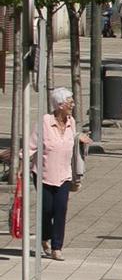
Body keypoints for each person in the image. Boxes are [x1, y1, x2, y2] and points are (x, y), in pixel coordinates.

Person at [34, 88, 88, 261]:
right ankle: (44, 236)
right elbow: (31, 144)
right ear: (59, 105)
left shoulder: (71, 122)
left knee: (61, 210)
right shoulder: (45, 122)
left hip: (64, 174)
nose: (72, 104)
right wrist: (21, 163)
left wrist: (80, 138)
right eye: (69, 101)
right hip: (43, 173)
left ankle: (57, 247)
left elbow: (72, 138)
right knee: (47, 210)